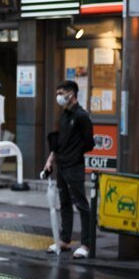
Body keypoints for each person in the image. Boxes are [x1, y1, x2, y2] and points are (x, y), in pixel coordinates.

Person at [43, 80, 94, 258]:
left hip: (74, 166)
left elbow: (89, 143)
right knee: (64, 203)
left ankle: (87, 244)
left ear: (71, 94)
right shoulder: (64, 115)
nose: (58, 96)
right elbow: (60, 141)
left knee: (81, 204)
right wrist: (51, 159)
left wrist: (74, 152)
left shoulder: (82, 116)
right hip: (62, 165)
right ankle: (65, 240)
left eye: (61, 93)